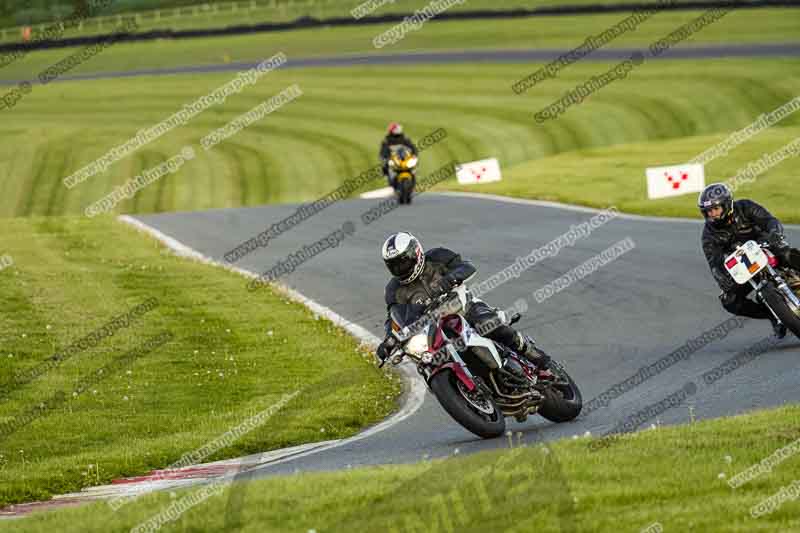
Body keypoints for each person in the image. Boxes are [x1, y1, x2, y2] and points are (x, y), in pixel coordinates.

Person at [375, 232, 552, 381]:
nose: (401, 268)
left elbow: (467, 267)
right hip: (433, 330)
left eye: (403, 262)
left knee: (490, 325)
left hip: (463, 307)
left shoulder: (437, 256)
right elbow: (394, 317)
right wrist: (389, 340)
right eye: (395, 265)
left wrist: (449, 280)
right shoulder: (394, 290)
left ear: (416, 253)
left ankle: (539, 360)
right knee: (426, 362)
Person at [699, 183, 800, 338]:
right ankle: (772, 314)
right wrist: (721, 278)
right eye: (708, 211)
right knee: (729, 301)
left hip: (766, 246)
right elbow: (714, 263)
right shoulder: (708, 235)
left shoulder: (745, 207)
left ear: (726, 205)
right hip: (745, 265)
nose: (712, 214)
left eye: (715, 209)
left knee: (786, 253)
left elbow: (770, 221)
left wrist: (774, 233)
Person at [379, 123, 418, 188]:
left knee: (414, 164)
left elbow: (412, 147)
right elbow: (383, 150)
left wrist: (414, 154)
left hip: (404, 158)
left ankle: (413, 177)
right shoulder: (387, 140)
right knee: (385, 165)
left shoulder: (405, 139)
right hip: (393, 158)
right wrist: (384, 157)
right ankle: (388, 176)